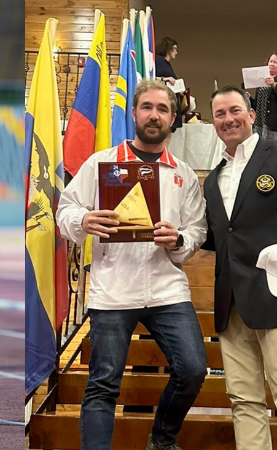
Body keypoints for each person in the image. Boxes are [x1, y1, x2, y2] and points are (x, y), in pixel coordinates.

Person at [56, 80, 207, 450]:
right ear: (135, 113)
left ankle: (161, 440)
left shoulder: (184, 174)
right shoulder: (102, 163)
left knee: (192, 369)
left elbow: (197, 229)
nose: (154, 115)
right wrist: (83, 220)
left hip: (167, 289)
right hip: (113, 291)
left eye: (163, 109)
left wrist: (180, 240)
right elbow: (66, 209)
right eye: (147, 107)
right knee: (103, 383)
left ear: (173, 118)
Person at [202, 86, 277, 450]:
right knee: (244, 401)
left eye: (235, 110)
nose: (228, 119)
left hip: (276, 296)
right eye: (220, 114)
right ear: (213, 123)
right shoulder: (213, 178)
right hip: (231, 303)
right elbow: (218, 237)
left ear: (251, 115)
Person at [155, 37, 184, 133]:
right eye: (174, 49)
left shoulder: (167, 64)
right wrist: (165, 79)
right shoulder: (158, 61)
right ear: (168, 49)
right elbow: (151, 77)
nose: (176, 52)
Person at [251, 53, 277, 140]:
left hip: (275, 124)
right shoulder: (262, 79)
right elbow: (257, 103)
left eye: (275, 62)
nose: (272, 64)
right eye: (270, 61)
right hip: (260, 122)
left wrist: (274, 85)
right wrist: (248, 98)